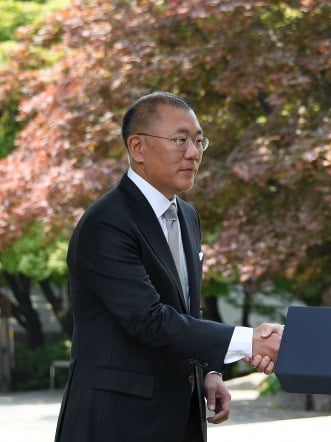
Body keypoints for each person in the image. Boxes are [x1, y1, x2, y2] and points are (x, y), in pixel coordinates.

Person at [54, 92, 282, 442]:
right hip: (118, 423)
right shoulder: (107, 223)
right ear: (138, 147)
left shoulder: (187, 216)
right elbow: (149, 320)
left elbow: (186, 307)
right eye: (180, 140)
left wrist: (209, 370)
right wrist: (249, 341)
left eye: (198, 140)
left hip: (182, 419)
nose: (193, 153)